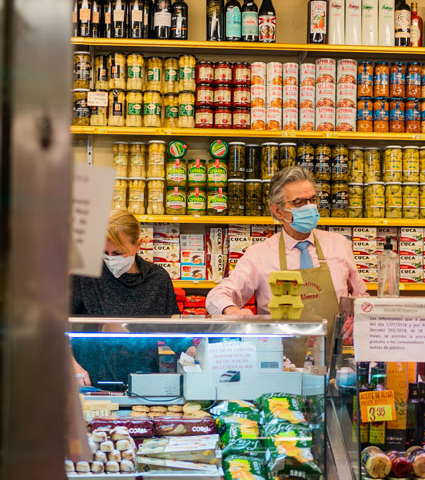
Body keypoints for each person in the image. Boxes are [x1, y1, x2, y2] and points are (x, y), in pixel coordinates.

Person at [206, 165, 366, 324]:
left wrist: (356, 319)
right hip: (279, 348)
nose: (309, 207)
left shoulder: (339, 244)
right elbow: (217, 296)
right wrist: (232, 311)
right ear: (278, 211)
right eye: (299, 202)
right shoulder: (259, 254)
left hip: (333, 347)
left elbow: (362, 299)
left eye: (313, 200)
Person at [70, 210, 180, 387]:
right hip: (91, 382)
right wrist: (71, 365)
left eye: (119, 253)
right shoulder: (85, 277)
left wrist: (195, 355)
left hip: (146, 383)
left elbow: (175, 335)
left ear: (138, 245)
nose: (111, 259)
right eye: (105, 252)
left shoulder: (158, 279)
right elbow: (55, 328)